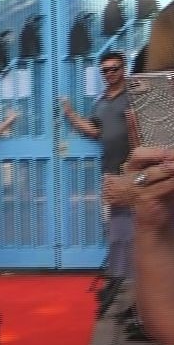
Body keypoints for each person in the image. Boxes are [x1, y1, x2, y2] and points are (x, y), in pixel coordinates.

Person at [59, 51, 137, 317]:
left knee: (136, 234)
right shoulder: (101, 103)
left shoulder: (134, 97)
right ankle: (118, 284)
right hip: (110, 175)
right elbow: (95, 131)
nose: (110, 74)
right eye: (105, 70)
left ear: (123, 69)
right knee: (115, 232)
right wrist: (70, 114)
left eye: (114, 69)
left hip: (135, 174)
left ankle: (131, 296)